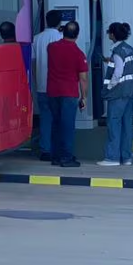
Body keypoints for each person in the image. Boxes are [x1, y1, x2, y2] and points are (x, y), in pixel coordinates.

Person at [46, 20, 89, 168]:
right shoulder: (79, 54)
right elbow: (83, 79)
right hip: (69, 94)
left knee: (56, 124)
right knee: (68, 126)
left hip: (52, 92)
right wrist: (84, 97)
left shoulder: (51, 48)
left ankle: (56, 156)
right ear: (77, 35)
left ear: (62, 32)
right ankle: (66, 157)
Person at [98, 22, 133, 167]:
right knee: (127, 125)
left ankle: (112, 158)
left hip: (118, 94)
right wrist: (110, 60)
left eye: (109, 32)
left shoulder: (118, 52)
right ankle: (126, 158)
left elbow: (118, 73)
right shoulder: (129, 49)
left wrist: (109, 87)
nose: (108, 34)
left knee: (114, 124)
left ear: (113, 35)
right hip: (129, 93)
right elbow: (125, 67)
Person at [31, 10, 64, 161]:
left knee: (45, 118)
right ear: (60, 22)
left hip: (41, 85)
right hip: (58, 86)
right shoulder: (61, 38)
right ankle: (59, 149)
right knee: (60, 119)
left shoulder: (36, 39)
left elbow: (32, 63)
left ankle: (45, 150)